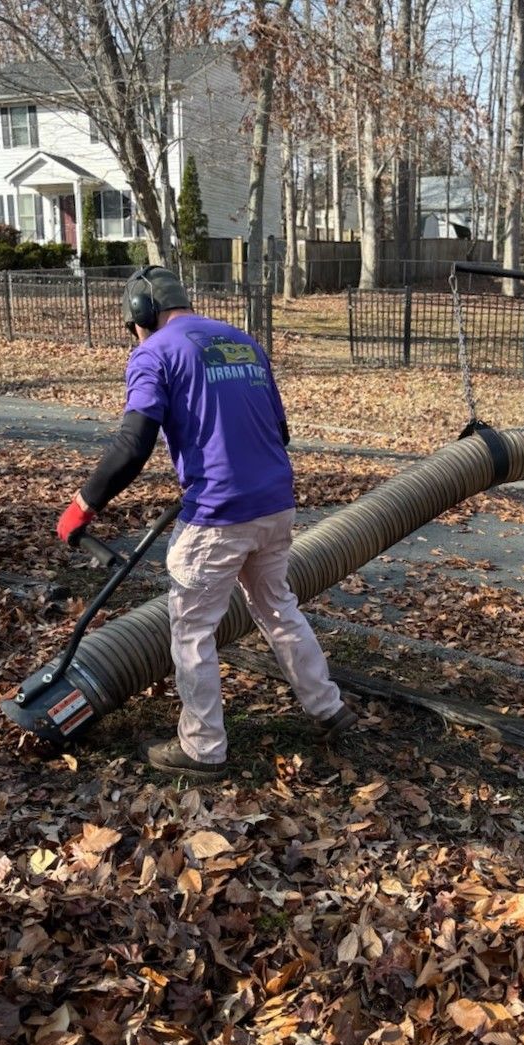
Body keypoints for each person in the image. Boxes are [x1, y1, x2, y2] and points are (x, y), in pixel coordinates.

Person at [56, 265, 356, 779]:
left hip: (219, 513)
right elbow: (278, 431)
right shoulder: (242, 342)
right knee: (278, 608)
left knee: (192, 629)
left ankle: (203, 748)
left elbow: (133, 444)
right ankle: (328, 707)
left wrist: (82, 506)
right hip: (275, 502)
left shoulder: (154, 351)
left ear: (140, 315)